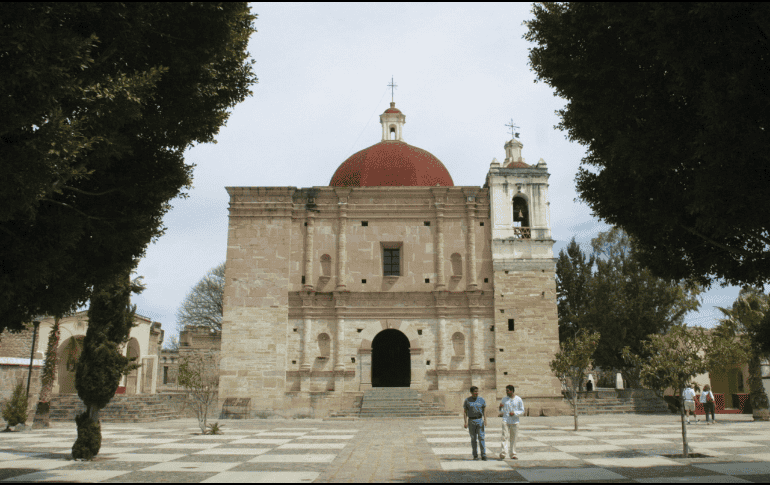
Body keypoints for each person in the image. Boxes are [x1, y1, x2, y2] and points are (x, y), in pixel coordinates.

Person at [498, 384, 525, 460]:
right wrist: (500, 408)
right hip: (506, 420)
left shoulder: (518, 399)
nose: (506, 392)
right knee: (504, 437)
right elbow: (501, 410)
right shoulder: (504, 399)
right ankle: (503, 453)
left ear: (512, 391)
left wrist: (515, 413)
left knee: (513, 438)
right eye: (506, 391)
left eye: (508, 391)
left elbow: (522, 411)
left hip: (515, 421)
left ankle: (513, 453)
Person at [463, 386, 487, 460]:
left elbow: (484, 409)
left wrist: (485, 419)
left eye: (477, 391)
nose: (476, 393)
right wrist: (465, 422)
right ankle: (475, 455)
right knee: (473, 439)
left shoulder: (481, 400)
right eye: (475, 391)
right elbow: (465, 412)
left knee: (481, 437)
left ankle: (483, 454)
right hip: (471, 421)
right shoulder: (467, 400)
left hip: (479, 420)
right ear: (471, 392)